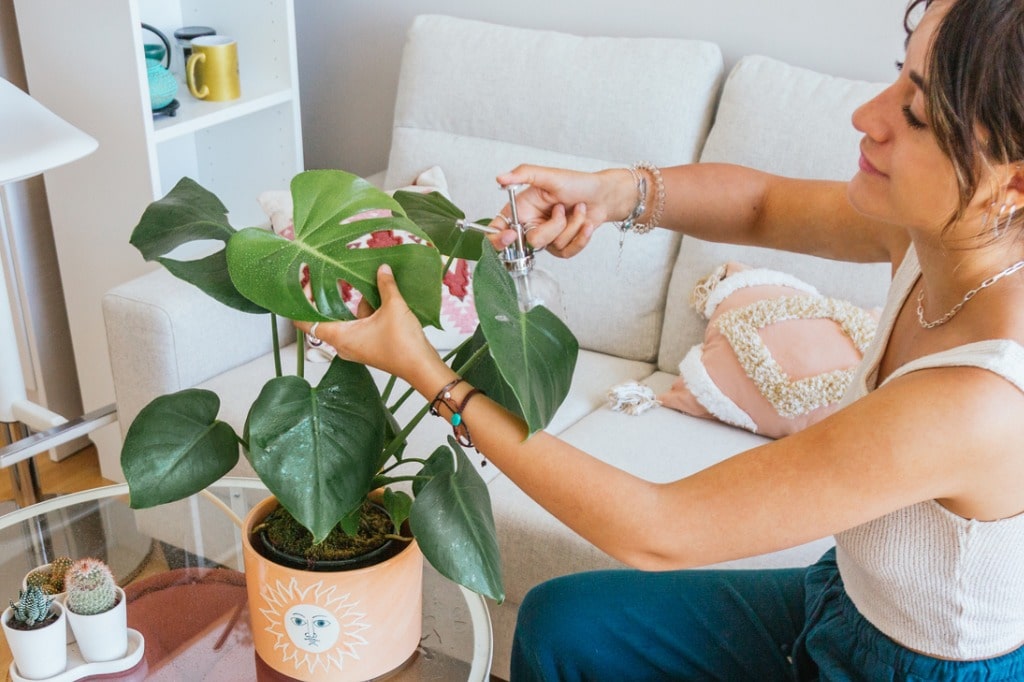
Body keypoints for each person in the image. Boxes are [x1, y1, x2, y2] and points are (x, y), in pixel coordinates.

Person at [299, 0, 1024, 678]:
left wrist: (428, 372)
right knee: (565, 625)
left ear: (1012, 186)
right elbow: (764, 204)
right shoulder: (940, 233)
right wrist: (611, 193)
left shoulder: (979, 399)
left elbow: (657, 527)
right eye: (900, 73)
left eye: (919, 115)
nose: (868, 115)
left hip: (913, 666)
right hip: (840, 600)